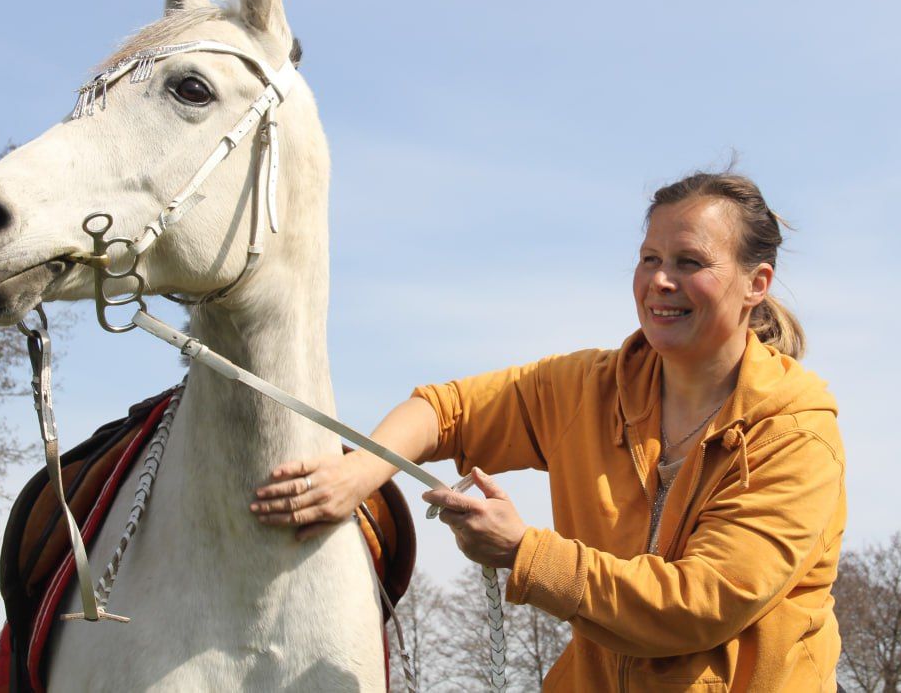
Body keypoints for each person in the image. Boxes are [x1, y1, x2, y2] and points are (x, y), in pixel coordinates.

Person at [251, 172, 847, 691]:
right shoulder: (588, 386)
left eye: (689, 262)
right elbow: (446, 409)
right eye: (649, 259)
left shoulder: (796, 434)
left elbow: (698, 605)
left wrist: (524, 553)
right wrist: (362, 471)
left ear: (756, 283)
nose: (660, 281)